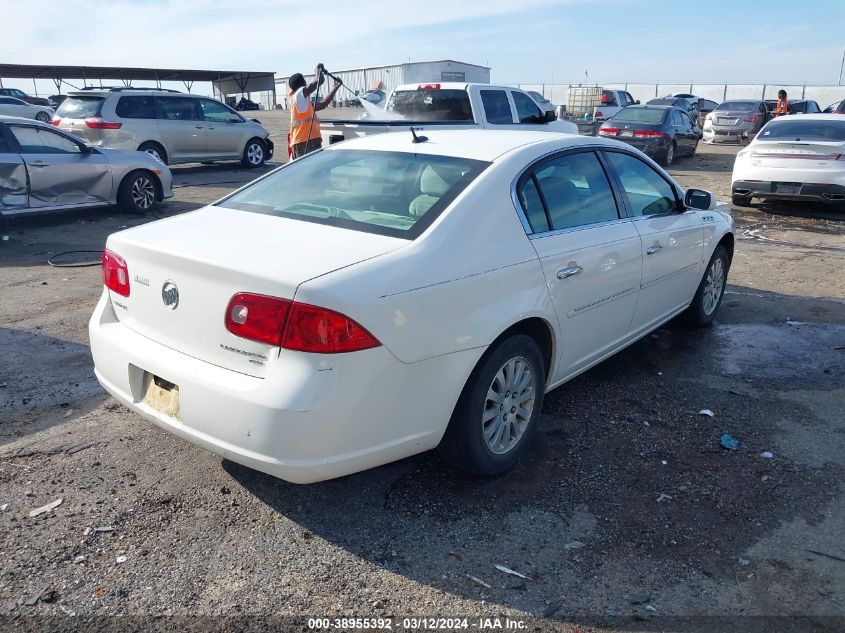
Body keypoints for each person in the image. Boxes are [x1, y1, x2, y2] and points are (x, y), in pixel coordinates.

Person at [288, 63, 342, 159]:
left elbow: (323, 104)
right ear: (301, 84)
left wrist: (335, 87)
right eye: (304, 81)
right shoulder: (299, 95)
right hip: (305, 143)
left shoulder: (303, 101)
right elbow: (319, 81)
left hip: (307, 142)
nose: (306, 83)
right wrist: (317, 70)